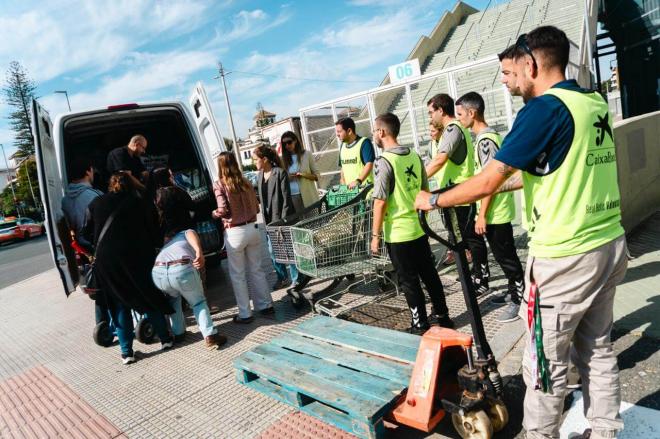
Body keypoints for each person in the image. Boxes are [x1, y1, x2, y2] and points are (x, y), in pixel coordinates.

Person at [416, 26, 627, 439]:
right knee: (598, 350)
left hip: (565, 257)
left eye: (512, 72)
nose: (506, 81)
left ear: (531, 63)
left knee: (545, 367)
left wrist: (434, 200)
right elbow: (539, 173)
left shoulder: (544, 109)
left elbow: (489, 180)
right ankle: (606, 431)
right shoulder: (592, 102)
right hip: (608, 243)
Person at [370, 112, 453, 334]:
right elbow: (424, 191)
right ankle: (444, 317)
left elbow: (380, 201)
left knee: (409, 281)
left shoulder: (384, 160)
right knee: (429, 274)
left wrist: (375, 236)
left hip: (398, 232)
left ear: (382, 132)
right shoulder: (414, 156)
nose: (374, 136)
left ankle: (420, 324)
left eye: (374, 132)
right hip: (418, 227)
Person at [83, 173, 174, 365]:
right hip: (138, 257)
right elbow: (155, 232)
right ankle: (165, 339)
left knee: (118, 304)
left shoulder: (96, 203)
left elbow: (85, 233)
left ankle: (127, 353)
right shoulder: (140, 202)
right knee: (148, 296)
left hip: (108, 261)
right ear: (132, 184)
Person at [455, 92, 525, 322]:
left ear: (472, 113)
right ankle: (513, 291)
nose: (459, 119)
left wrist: (482, 215)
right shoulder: (486, 138)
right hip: (494, 211)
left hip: (496, 212)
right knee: (503, 255)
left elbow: (490, 183)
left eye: (460, 114)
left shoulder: (486, 141)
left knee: (506, 257)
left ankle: (519, 299)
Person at [425, 93, 487, 292]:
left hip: (461, 194)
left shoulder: (453, 129)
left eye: (430, 112)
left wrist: (417, 181)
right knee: (460, 239)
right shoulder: (447, 132)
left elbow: (440, 160)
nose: (429, 117)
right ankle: (471, 276)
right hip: (452, 195)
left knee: (471, 240)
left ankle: (482, 279)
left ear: (441, 110)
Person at [153, 188, 227, 349]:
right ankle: (210, 334)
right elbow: (190, 234)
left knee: (174, 299)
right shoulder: (185, 224)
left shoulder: (162, 228)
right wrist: (199, 252)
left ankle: (178, 333)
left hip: (159, 272)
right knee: (198, 301)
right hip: (181, 268)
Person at [213, 152, 274, 323]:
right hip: (253, 228)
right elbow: (256, 207)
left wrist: (214, 214)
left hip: (235, 233)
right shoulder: (246, 182)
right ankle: (266, 305)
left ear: (220, 166)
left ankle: (245, 313)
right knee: (257, 270)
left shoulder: (219, 184)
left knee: (238, 275)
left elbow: (223, 209)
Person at [252, 145, 308, 291]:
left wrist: (283, 221)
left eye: (255, 159)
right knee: (272, 251)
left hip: (281, 219)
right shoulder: (259, 175)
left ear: (264, 159)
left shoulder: (280, 173)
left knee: (288, 250)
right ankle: (282, 277)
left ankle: (296, 279)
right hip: (268, 220)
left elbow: (286, 198)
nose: (254, 162)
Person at [61, 156, 106, 324]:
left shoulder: (65, 200)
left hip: (82, 245)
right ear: (88, 171)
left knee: (98, 286)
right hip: (99, 243)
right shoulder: (93, 195)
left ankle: (101, 324)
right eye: (92, 170)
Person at [280, 131, 320, 211]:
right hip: (292, 197)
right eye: (284, 144)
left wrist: (302, 175)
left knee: (312, 219)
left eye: (289, 142)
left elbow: (317, 176)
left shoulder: (307, 154)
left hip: (308, 195)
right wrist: (288, 178)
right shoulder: (282, 159)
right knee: (300, 222)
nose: (287, 145)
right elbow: (281, 180)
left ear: (295, 141)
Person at [335, 117, 375, 189]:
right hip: (350, 194)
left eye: (339, 131)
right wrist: (343, 181)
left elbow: (369, 164)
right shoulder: (342, 146)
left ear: (349, 131)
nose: (337, 135)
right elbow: (343, 167)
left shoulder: (364, 143)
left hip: (365, 192)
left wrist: (358, 181)